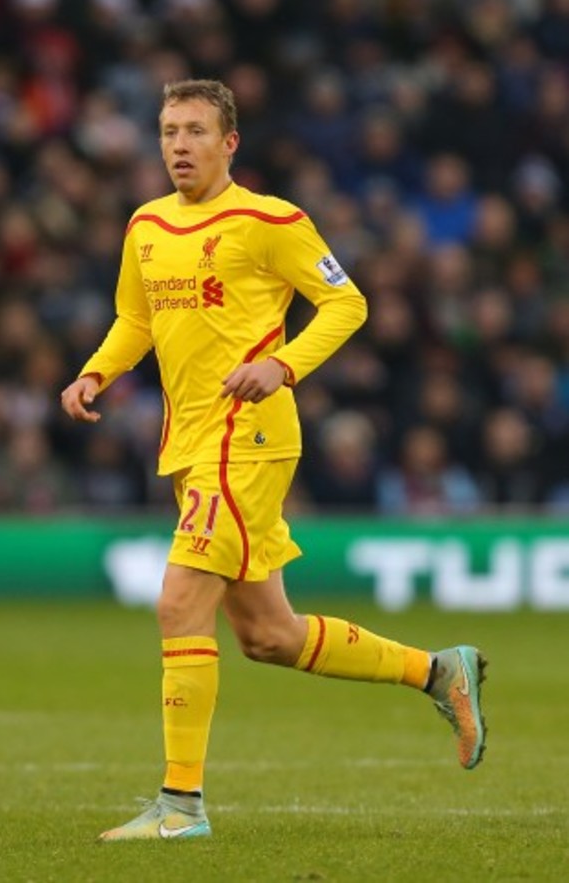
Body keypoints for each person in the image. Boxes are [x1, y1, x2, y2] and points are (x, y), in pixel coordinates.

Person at [61, 79, 487, 842]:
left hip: (248, 435)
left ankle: (180, 806)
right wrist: (97, 369)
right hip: (192, 443)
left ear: (230, 144)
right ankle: (439, 670)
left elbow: (347, 303)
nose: (178, 146)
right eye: (167, 131)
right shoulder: (146, 224)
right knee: (268, 634)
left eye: (194, 131)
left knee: (178, 604)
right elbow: (136, 316)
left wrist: (283, 365)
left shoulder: (271, 220)